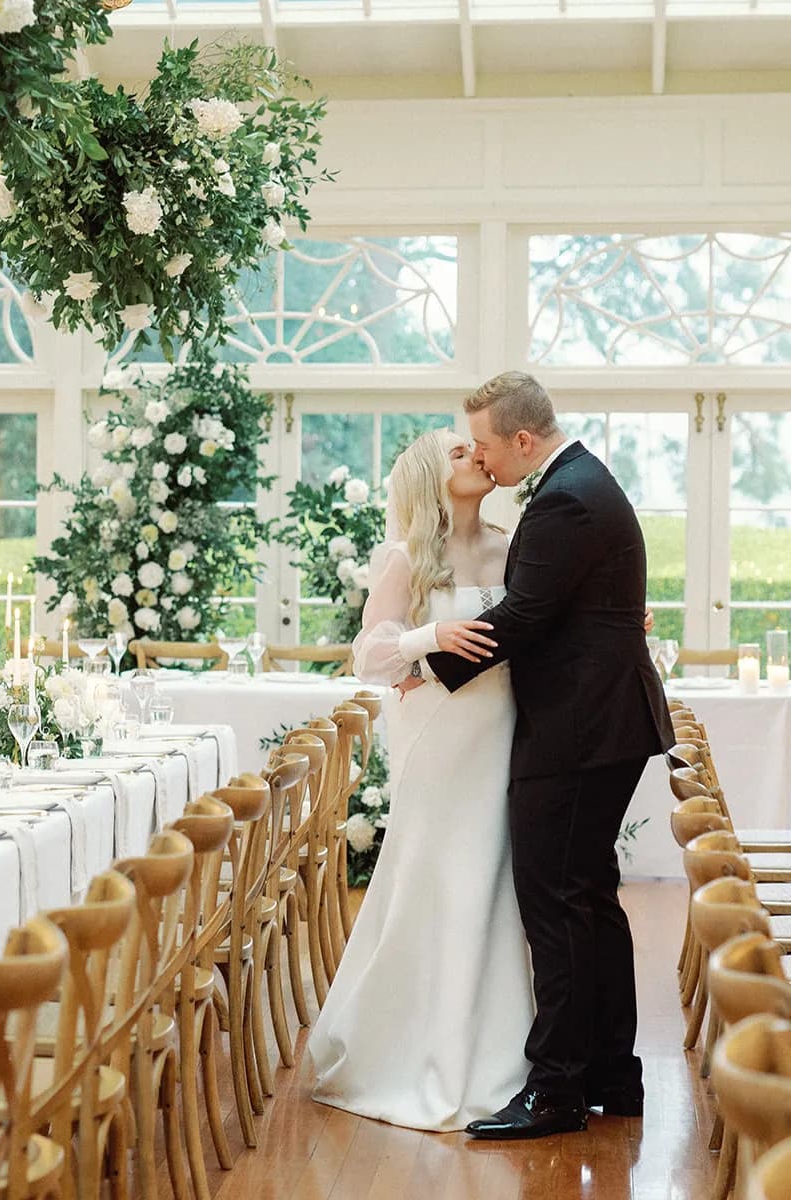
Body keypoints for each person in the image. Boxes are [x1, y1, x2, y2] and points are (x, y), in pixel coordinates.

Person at [420, 371, 675, 1140]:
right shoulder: (577, 480)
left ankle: (558, 1089)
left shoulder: (565, 495)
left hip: (578, 729)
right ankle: (611, 1074)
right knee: (589, 898)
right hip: (602, 722)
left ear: (523, 440)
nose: (484, 460)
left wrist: (428, 668)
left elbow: (526, 613)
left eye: (489, 446)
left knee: (557, 903)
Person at [307, 427, 534, 1132]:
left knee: (490, 883)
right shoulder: (407, 558)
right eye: (460, 454)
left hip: (500, 734)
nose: (476, 457)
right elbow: (367, 655)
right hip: (436, 738)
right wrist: (426, 639)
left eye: (475, 449)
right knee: (436, 880)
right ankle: (411, 1053)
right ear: (434, 477)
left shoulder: (510, 546)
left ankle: (499, 1060)